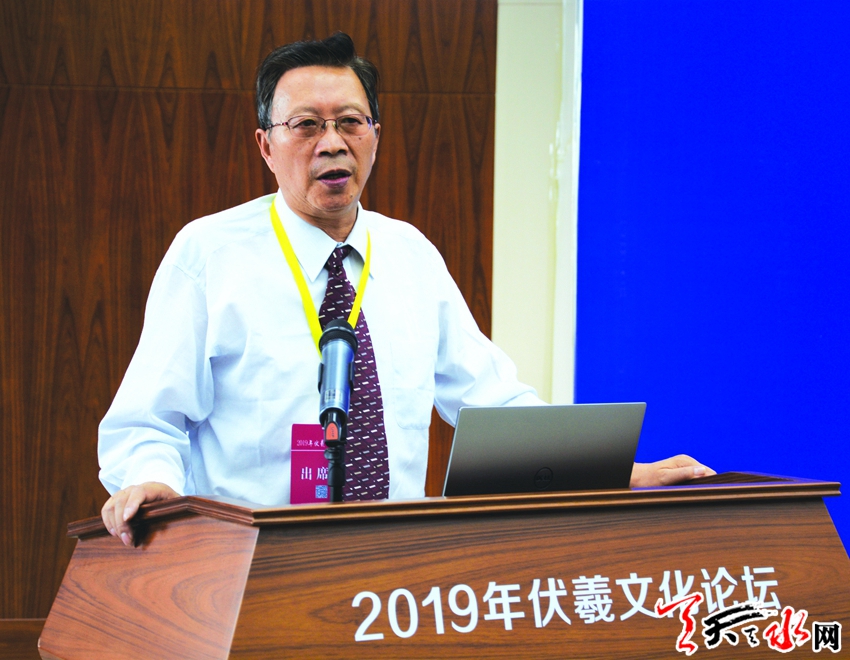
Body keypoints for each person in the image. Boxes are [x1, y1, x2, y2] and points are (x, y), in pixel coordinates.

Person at [99, 33, 714, 547]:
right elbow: (149, 420)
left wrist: (607, 470)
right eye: (306, 125)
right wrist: (153, 483)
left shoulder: (410, 255)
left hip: (392, 569)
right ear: (266, 145)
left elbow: (493, 405)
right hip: (251, 562)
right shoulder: (210, 254)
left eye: (350, 122)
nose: (332, 143)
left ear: (375, 135)